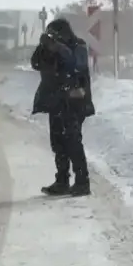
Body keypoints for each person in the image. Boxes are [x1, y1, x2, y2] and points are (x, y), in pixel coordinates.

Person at [31, 18, 95, 196]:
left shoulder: (78, 46)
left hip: (74, 103)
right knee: (58, 143)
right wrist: (43, 46)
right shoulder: (49, 50)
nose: (53, 38)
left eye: (55, 34)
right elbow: (35, 63)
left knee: (73, 142)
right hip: (56, 102)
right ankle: (62, 181)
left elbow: (76, 65)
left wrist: (59, 47)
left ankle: (82, 182)